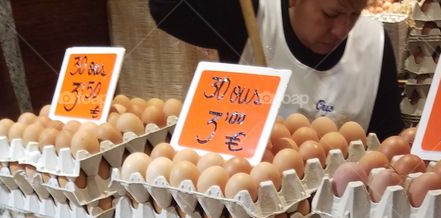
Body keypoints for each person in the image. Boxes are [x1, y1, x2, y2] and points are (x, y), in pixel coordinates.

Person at [149, 0, 404, 139]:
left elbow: (387, 138)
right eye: (330, 14)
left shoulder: (373, 43)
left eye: (354, 15)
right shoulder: (249, 16)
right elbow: (166, 9)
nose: (342, 30)